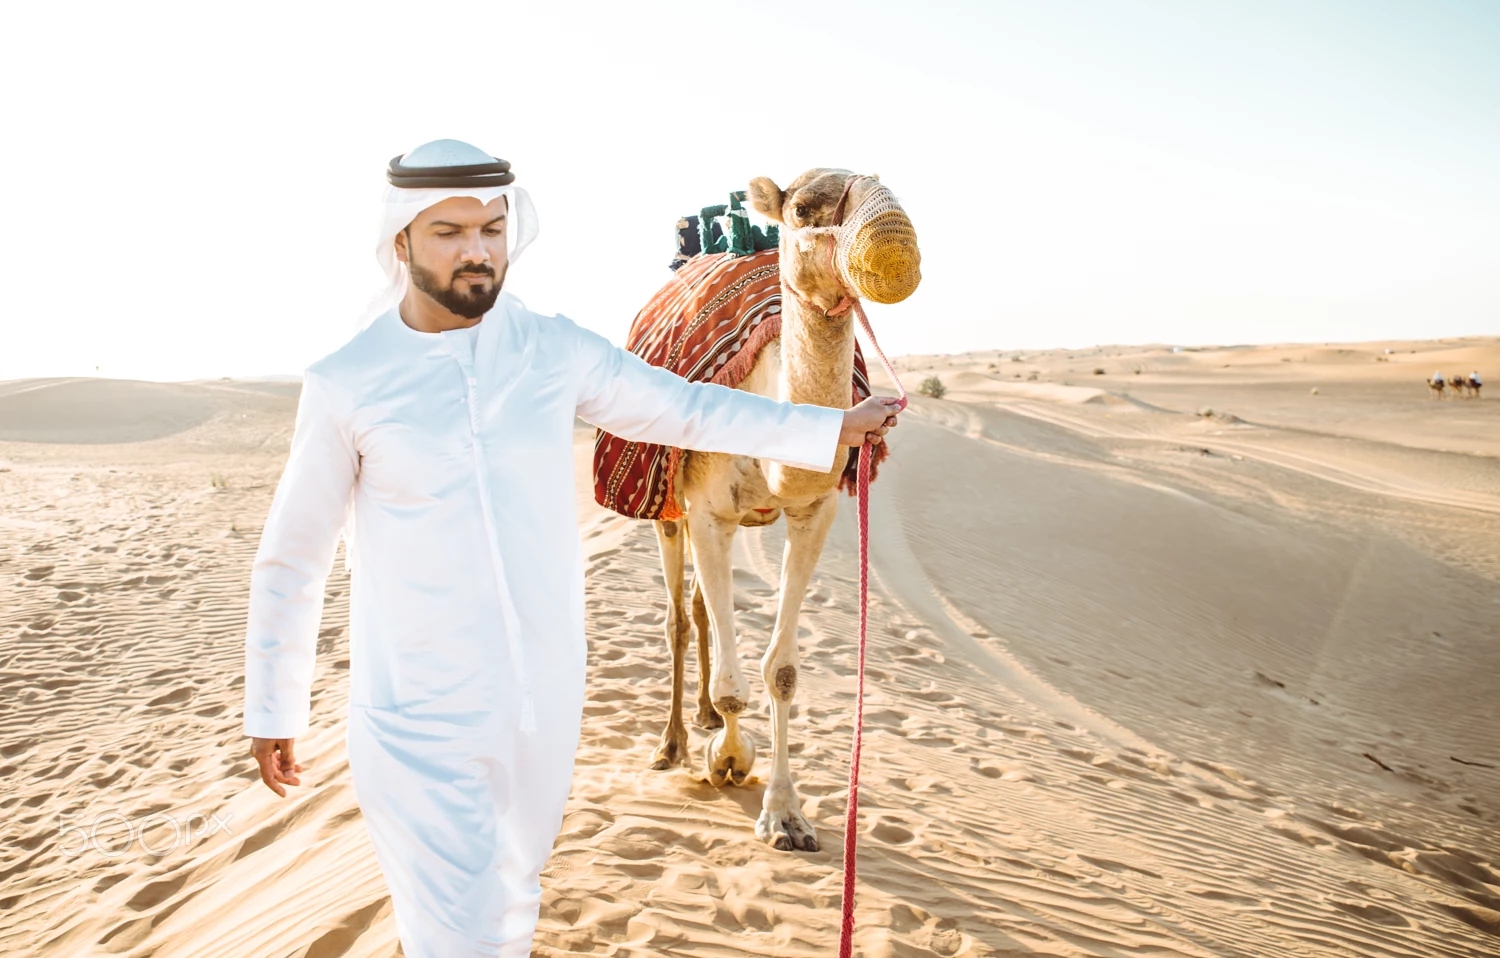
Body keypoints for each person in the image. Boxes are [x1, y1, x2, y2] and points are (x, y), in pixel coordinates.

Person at [240, 139, 901, 957]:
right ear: (399, 241)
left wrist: (827, 428)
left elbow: (687, 409)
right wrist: (274, 704)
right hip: (417, 715)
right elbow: (294, 556)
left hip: (543, 708)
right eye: (449, 232)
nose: (477, 250)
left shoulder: (551, 350)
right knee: (456, 931)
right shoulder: (348, 381)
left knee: (510, 909)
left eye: (491, 228)